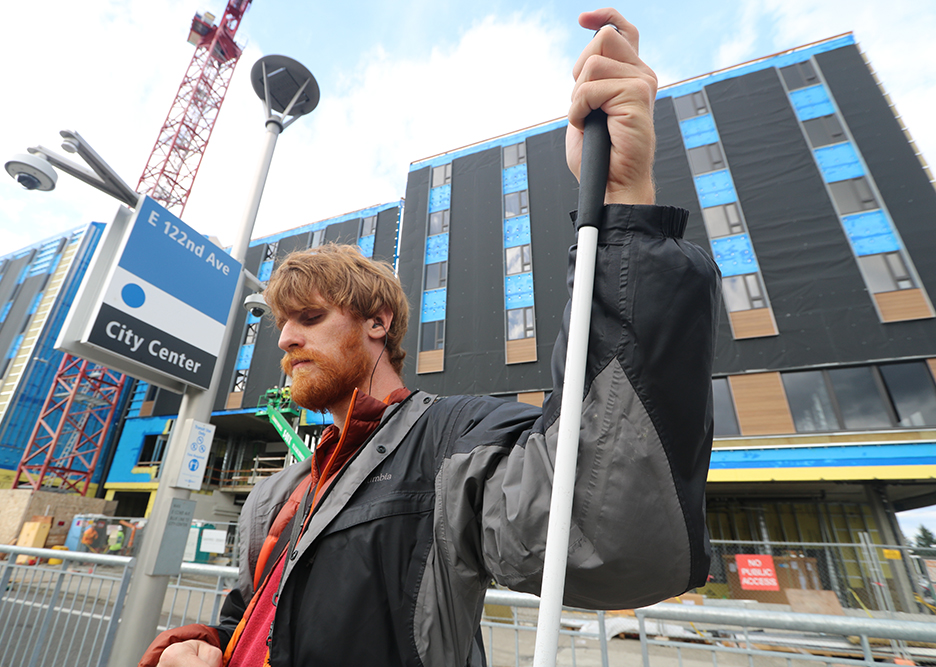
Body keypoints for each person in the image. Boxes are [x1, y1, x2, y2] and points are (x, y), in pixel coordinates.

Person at [140, 8, 720, 667]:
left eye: (308, 317)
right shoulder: (275, 495)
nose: (286, 340)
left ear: (378, 321)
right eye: (281, 325)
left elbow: (605, 530)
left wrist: (622, 202)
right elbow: (250, 617)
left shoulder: (450, 446)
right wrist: (200, 644)